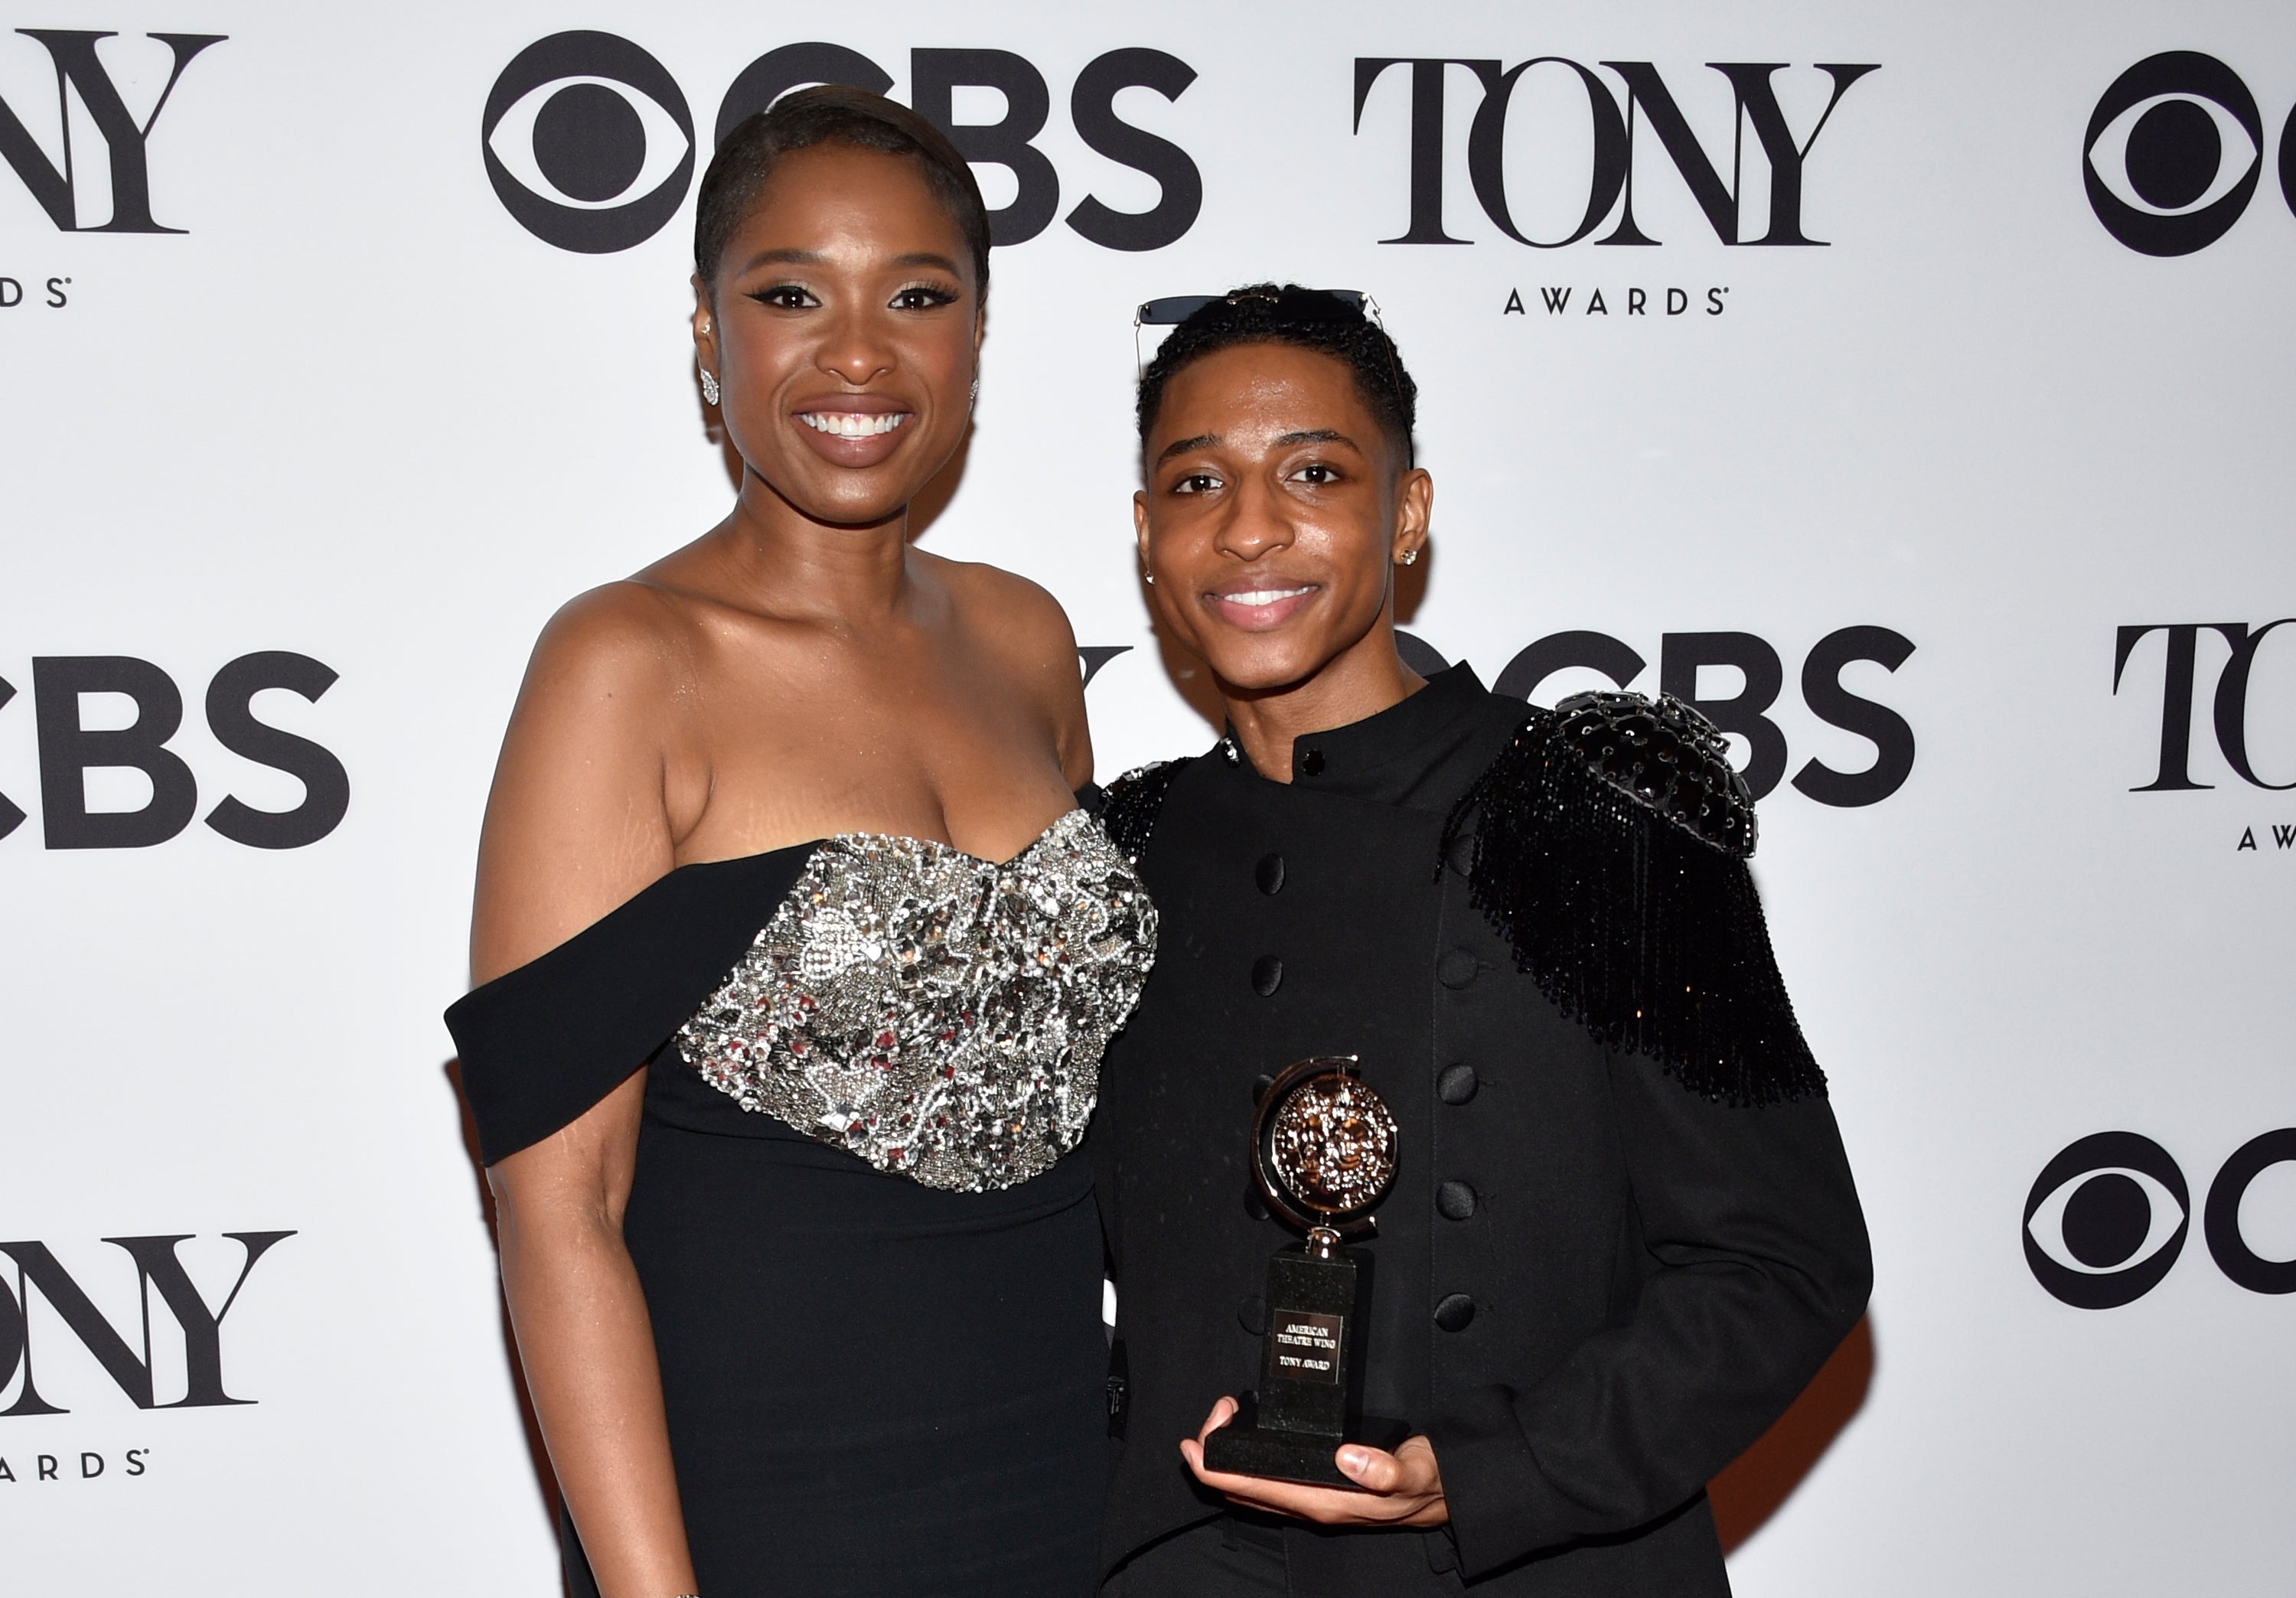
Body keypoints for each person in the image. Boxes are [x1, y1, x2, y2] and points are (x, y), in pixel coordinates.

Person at [444, 88, 1156, 1598]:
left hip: (1068, 1492)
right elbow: (562, 1212)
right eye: (788, 295)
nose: (856, 354)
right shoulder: (627, 663)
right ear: (709, 341)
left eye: (918, 295)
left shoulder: (1027, 637)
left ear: (976, 334)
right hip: (769, 1515)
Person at [1091, 285, 1870, 1595]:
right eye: (1195, 483)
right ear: (1146, 538)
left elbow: (1780, 1260)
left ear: (1406, 513)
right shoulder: (1126, 855)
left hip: (1531, 1568)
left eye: (1315, 472)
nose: (1250, 528)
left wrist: (1498, 1476)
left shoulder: (1591, 814)